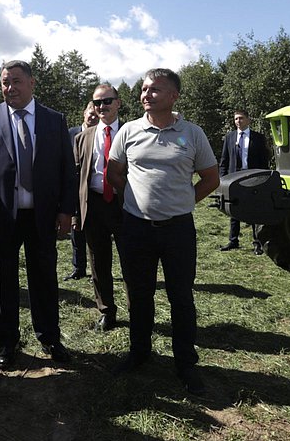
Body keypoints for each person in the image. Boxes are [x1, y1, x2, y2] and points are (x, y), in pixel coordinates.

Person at [107, 68, 219, 396]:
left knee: (180, 298)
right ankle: (139, 353)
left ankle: (185, 363)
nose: (145, 95)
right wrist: (135, 197)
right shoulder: (129, 130)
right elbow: (114, 172)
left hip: (178, 231)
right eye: (143, 89)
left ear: (174, 96)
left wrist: (184, 203)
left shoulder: (192, 133)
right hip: (136, 228)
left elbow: (210, 178)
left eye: (154, 90)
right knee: (139, 296)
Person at [0, 60, 75, 370]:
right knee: (4, 280)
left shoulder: (54, 121)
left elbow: (68, 170)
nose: (9, 87)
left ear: (31, 83)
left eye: (15, 81)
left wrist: (67, 210)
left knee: (44, 278)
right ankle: (7, 341)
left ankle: (50, 337)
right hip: (1, 217)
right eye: (4, 82)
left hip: (43, 216)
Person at [75, 85, 124, 331]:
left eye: (107, 101)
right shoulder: (83, 137)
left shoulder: (132, 132)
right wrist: (75, 213)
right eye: (97, 103)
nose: (102, 106)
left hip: (125, 205)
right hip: (93, 205)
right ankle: (106, 311)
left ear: (118, 103)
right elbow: (75, 177)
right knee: (98, 262)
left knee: (132, 261)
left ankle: (139, 309)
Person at [219, 109, 270, 254]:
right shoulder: (230, 137)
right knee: (233, 209)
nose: (238, 121)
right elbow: (224, 160)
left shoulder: (258, 138)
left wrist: (263, 179)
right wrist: (221, 179)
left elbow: (263, 161)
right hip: (234, 179)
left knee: (253, 209)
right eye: (236, 119)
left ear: (248, 120)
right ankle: (233, 240)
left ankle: (257, 242)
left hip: (252, 178)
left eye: (241, 118)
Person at [65, 102, 97, 282]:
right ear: (84, 113)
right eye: (90, 113)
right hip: (73, 189)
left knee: (94, 233)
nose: (92, 117)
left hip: (93, 189)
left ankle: (96, 271)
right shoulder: (70, 133)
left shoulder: (101, 134)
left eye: (95, 114)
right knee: (75, 230)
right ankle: (79, 268)